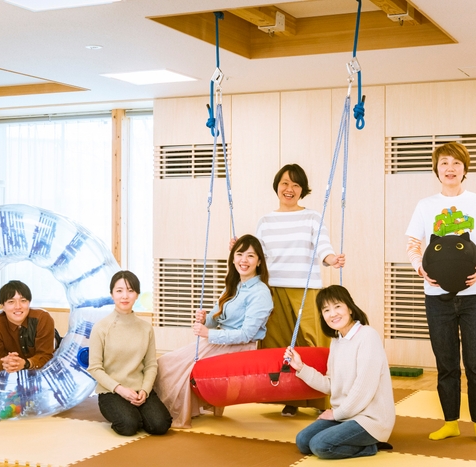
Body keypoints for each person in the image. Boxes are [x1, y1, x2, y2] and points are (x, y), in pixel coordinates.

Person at [405, 141, 476, 445]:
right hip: (437, 298)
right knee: (446, 364)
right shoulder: (425, 205)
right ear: (436, 169)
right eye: (444, 163)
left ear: (465, 169)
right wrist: (420, 270)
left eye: (456, 163)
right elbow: (412, 245)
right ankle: (450, 423)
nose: (450, 168)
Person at [154, 234, 274, 428]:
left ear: (259, 261)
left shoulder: (260, 293)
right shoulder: (234, 285)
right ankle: (154, 408)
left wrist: (209, 334)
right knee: (166, 362)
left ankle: (165, 412)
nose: (244, 260)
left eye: (250, 256)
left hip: (238, 348)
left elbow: (246, 335)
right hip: (219, 342)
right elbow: (216, 318)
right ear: (233, 258)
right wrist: (205, 319)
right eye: (239, 254)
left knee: (177, 367)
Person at [254, 163, 345, 416]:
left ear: (303, 189)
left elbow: (323, 247)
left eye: (296, 184)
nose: (289, 189)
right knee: (278, 345)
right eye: (285, 183)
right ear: (277, 186)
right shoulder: (265, 221)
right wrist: (239, 247)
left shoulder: (313, 217)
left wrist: (331, 259)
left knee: (313, 344)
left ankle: (320, 401)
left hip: (306, 291)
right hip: (273, 290)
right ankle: (289, 398)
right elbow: (257, 254)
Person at [284, 285, 395, 460]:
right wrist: (301, 367)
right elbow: (331, 385)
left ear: (350, 308)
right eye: (326, 310)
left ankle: (371, 446)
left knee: (320, 446)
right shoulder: (336, 341)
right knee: (303, 441)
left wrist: (336, 414)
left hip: (370, 419)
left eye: (337, 306)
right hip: (346, 415)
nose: (332, 314)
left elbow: (364, 388)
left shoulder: (368, 336)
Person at [88, 270, 172, 436]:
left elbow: (151, 365)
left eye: (130, 290)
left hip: (139, 390)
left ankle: (136, 413)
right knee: (129, 426)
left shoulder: (146, 328)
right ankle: (130, 415)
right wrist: (120, 389)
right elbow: (95, 368)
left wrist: (145, 390)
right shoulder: (100, 327)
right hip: (111, 391)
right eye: (119, 291)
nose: (125, 296)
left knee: (161, 425)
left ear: (137, 295)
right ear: (112, 294)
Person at [0, 280, 55, 373]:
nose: (18, 306)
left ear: (29, 303)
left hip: (49, 344)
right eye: (11, 302)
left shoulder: (42, 318)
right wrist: (6, 363)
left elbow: (46, 356)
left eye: (23, 301)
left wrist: (26, 363)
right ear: (2, 306)